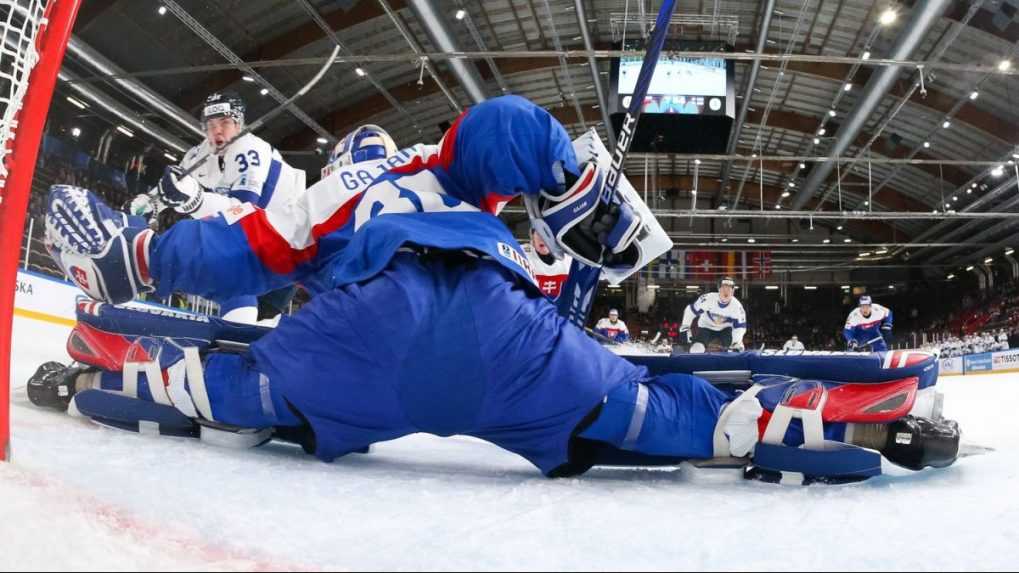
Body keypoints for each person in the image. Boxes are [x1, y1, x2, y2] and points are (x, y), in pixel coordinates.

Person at [41, 95, 959, 482]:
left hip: (363, 335)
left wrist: (144, 255)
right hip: (502, 329)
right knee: (648, 409)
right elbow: (503, 130)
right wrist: (571, 182)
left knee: (251, 389)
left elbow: (231, 259)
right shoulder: (443, 167)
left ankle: (133, 376)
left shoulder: (328, 193)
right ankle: (818, 421)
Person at [151, 91, 307, 324]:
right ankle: (238, 335)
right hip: (262, 238)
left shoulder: (251, 150)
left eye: (224, 122)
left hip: (288, 246)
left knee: (233, 260)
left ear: (239, 124)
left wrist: (194, 199)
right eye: (211, 125)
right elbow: (170, 187)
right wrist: (147, 203)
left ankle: (237, 335)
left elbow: (242, 213)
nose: (217, 131)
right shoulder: (199, 153)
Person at [679, 278, 747, 352]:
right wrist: (685, 327)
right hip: (706, 327)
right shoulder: (707, 299)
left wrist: (735, 342)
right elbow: (691, 311)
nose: (726, 291)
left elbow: (740, 327)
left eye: (729, 288)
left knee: (737, 349)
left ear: (733, 291)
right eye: (724, 288)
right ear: (718, 289)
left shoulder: (737, 307)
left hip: (726, 329)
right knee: (696, 350)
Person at [521, 228, 572, 301]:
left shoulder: (569, 259)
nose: (543, 238)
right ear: (532, 237)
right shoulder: (521, 253)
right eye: (539, 233)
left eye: (547, 233)